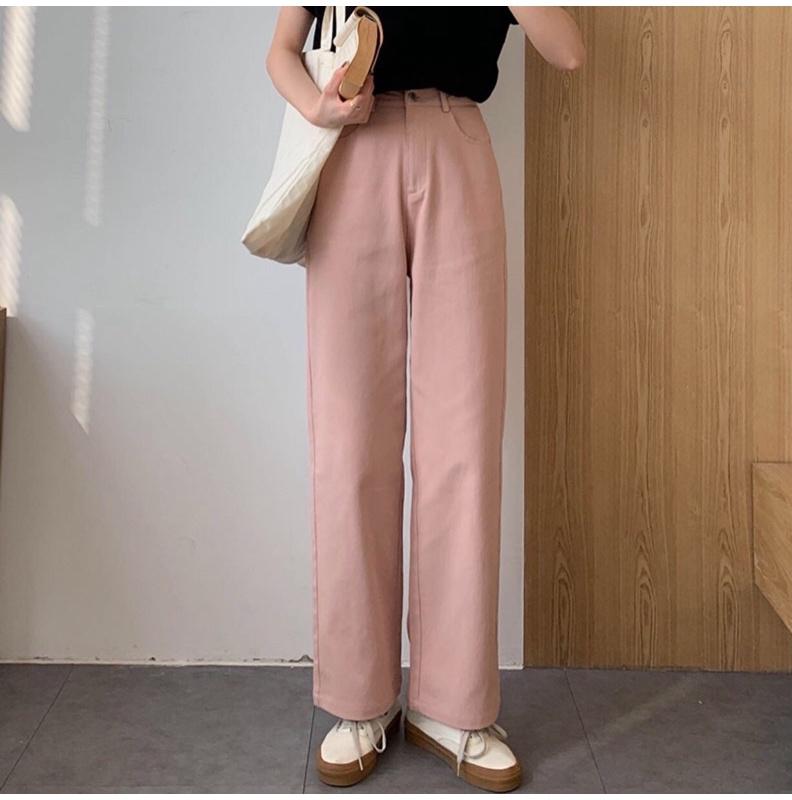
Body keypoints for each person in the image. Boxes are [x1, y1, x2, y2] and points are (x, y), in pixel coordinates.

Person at [265, 6, 585, 792]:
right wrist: (316, 107)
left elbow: (568, 49)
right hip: (352, 149)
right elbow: (280, 50)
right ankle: (359, 699)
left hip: (456, 142)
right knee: (350, 444)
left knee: (463, 444)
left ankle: (452, 704)